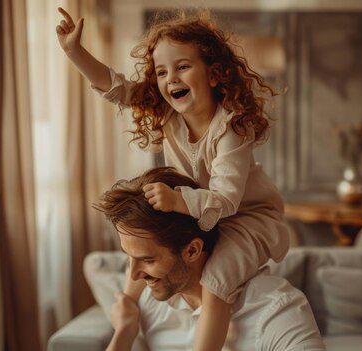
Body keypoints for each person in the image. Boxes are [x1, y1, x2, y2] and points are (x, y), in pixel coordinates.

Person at [56, 7, 290, 351]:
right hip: (195, 209)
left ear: (213, 74)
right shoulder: (166, 112)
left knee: (215, 277)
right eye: (162, 71)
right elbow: (117, 88)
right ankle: (127, 315)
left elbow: (226, 199)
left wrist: (179, 200)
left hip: (245, 217)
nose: (171, 79)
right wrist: (74, 52)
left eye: (182, 67)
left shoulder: (232, 128)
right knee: (146, 249)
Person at [93, 167, 325, 351]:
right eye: (129, 259)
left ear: (192, 251)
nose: (133, 274)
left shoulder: (276, 311)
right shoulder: (147, 305)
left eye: (148, 260)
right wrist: (124, 330)